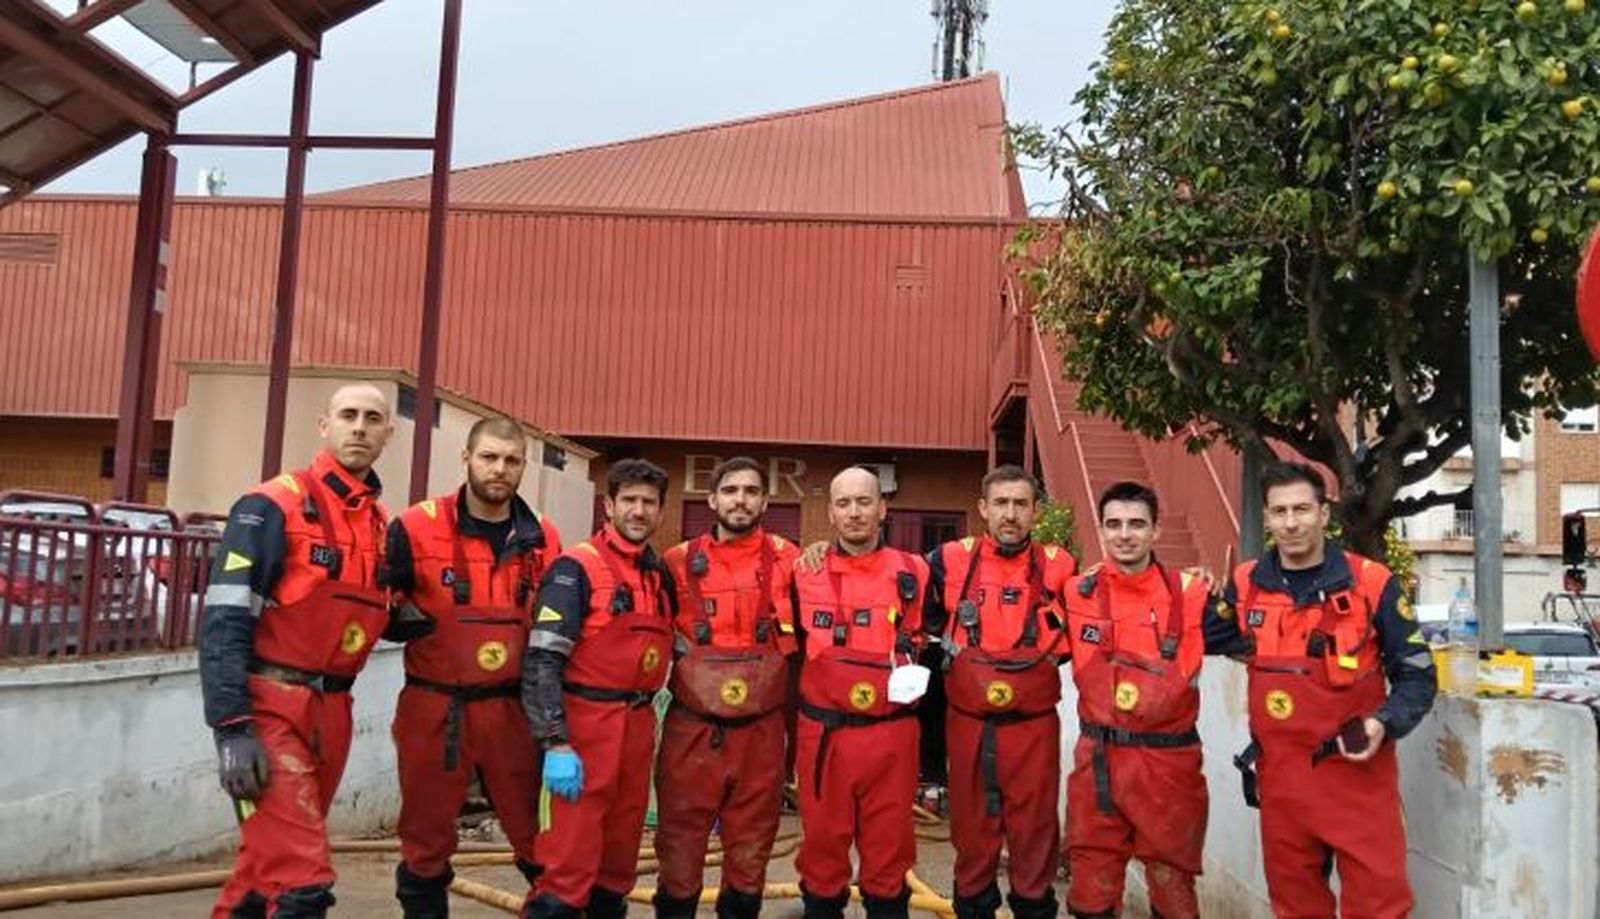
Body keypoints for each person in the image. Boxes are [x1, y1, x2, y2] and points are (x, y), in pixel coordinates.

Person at [199, 383, 395, 919]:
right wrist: (233, 728)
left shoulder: (376, 525)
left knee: (262, 874)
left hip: (332, 711)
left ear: (388, 434)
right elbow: (223, 620)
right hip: (269, 709)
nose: (360, 426)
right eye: (348, 415)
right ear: (324, 425)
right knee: (303, 881)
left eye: (372, 418)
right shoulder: (272, 506)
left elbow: (383, 611)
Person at [1207, 461, 1436, 918]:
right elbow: (1202, 636)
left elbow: (1418, 676)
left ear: (1324, 514)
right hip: (1282, 785)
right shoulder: (1244, 585)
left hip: (1357, 779)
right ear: (1267, 519)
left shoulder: (1372, 583)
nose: (1290, 523)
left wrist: (1383, 723)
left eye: (1301, 509)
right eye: (1279, 512)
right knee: (1294, 908)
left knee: (1379, 907)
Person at [382, 417, 563, 917]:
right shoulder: (415, 527)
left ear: (524, 466)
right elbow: (379, 605)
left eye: (510, 460)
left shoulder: (544, 538)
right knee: (425, 840)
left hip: (514, 711)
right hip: (435, 706)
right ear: (466, 458)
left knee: (542, 841)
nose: (499, 469)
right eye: (488, 457)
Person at [520, 459, 677, 919]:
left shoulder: (658, 575)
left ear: (661, 510)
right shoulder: (575, 569)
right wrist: (555, 742)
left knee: (615, 873)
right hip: (583, 734)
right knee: (565, 873)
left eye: (649, 502)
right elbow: (542, 660)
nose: (638, 510)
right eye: (628, 500)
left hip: (636, 730)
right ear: (608, 505)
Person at [922, 465, 1076, 919]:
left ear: (1035, 511)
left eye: (1021, 504)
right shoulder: (946, 560)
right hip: (968, 723)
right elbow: (881, 575)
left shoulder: (1061, 566)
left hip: (1034, 728)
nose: (1010, 514)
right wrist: (817, 550)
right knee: (972, 833)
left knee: (1035, 833)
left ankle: (1033, 907)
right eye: (1002, 504)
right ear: (983, 509)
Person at [653, 457, 801, 919]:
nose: (741, 499)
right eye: (731, 490)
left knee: (751, 846)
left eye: (751, 491)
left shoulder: (792, 559)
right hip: (692, 729)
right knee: (679, 843)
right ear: (712, 499)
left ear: (765, 501)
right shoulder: (674, 562)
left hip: (761, 731)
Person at [1061, 482, 1214, 919]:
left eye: (1136, 524)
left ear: (1156, 531)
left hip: (1168, 768)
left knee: (1172, 887)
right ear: (1102, 530)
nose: (1124, 534)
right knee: (1090, 888)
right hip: (1099, 763)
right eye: (1114, 524)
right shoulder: (1076, 593)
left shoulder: (1193, 594)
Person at [791, 466, 930, 919]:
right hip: (825, 738)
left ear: (883, 508)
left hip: (892, 736)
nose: (855, 513)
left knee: (889, 852)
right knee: (822, 849)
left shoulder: (919, 571)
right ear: (830, 513)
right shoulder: (800, 572)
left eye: (864, 501)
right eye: (844, 503)